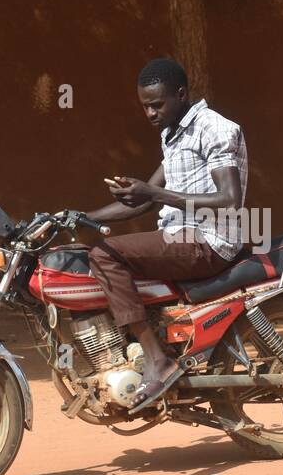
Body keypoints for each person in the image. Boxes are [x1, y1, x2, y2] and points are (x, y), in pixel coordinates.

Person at [85, 57, 248, 412]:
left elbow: (229, 199)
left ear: (181, 93)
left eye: (157, 104)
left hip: (207, 240)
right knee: (90, 251)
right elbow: (141, 201)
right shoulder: (173, 134)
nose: (150, 113)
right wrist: (80, 218)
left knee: (104, 254)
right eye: (145, 106)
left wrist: (153, 194)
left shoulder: (213, 128)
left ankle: (158, 360)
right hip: (181, 236)